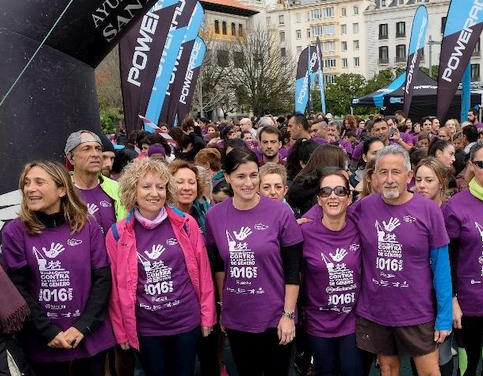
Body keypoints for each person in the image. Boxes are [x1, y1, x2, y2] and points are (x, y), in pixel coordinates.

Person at [2, 160, 115, 376]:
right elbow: (19, 288)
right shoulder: (14, 231)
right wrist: (48, 331)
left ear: (62, 189)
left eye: (39, 182)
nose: (30, 189)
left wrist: (83, 326)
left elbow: (102, 279)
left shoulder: (87, 225)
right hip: (44, 340)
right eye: (26, 183)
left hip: (89, 335)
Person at [106, 158, 216, 376]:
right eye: (146, 186)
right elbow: (115, 290)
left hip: (185, 321)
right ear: (132, 190)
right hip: (146, 327)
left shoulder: (186, 224)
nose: (154, 193)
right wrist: (121, 331)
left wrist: (207, 316)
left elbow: (203, 274)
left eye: (160, 186)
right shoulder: (117, 234)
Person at [351, 145, 452, 376]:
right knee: (387, 369)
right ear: (374, 176)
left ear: (408, 176)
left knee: (428, 372)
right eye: (383, 172)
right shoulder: (364, 207)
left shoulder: (428, 210)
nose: (389, 179)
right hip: (377, 310)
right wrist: (307, 219)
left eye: (395, 172)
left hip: (417, 311)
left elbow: (441, 266)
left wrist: (444, 317)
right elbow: (333, 213)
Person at [205, 149, 303, 376]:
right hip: (238, 316)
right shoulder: (215, 216)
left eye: (253, 175)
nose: (248, 183)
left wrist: (288, 315)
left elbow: (293, 269)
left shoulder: (280, 212)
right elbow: (220, 266)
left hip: (276, 315)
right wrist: (224, 307)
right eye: (240, 176)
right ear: (227, 177)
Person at [301, 169, 362, 376]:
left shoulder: (359, 227)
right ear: (319, 199)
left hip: (352, 321)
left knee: (352, 371)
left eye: (339, 191)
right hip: (318, 321)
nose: (333, 196)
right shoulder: (303, 232)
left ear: (349, 197)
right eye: (326, 192)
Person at [444, 140, 483, 376]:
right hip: (469, 305)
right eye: (481, 164)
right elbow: (448, 259)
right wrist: (453, 299)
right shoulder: (456, 206)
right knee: (468, 367)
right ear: (471, 166)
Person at [413, 157, 454, 376]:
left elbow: (453, 263)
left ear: (441, 182)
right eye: (418, 179)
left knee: (442, 356)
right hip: (418, 299)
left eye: (428, 180)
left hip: (446, 296)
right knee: (418, 357)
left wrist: (452, 301)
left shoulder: (450, 212)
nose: (421, 185)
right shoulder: (409, 209)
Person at [65, 130, 126, 235]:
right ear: (71, 157)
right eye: (86, 149)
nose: (95, 154)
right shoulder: (61, 190)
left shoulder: (118, 189)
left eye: (98, 149)